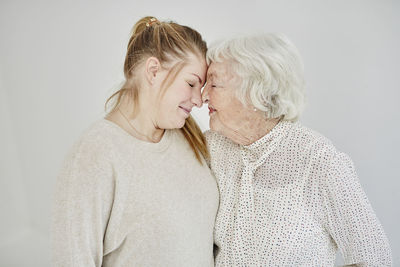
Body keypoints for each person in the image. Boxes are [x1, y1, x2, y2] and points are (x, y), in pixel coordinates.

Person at [202, 33, 392, 266]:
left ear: (255, 92)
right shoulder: (210, 148)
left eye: (214, 84)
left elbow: (375, 258)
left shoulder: (319, 161)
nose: (202, 95)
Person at [51, 16, 218, 267]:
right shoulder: (95, 154)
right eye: (191, 83)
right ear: (153, 71)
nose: (198, 100)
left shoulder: (190, 137)